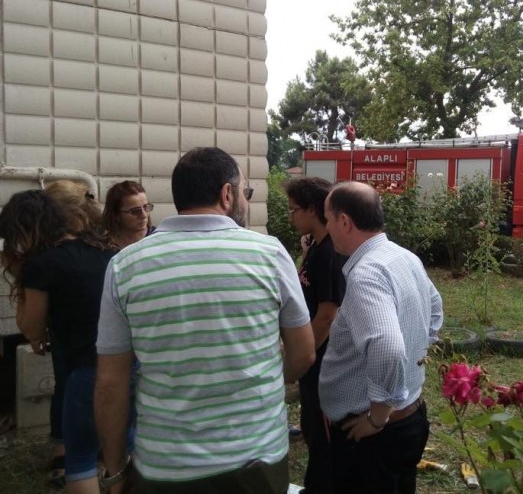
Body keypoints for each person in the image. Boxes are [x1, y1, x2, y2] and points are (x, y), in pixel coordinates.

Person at [94, 146, 316, 494]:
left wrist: (116, 470)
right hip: (255, 459)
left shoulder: (124, 265)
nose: (245, 201)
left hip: (165, 466)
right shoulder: (270, 254)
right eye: (245, 192)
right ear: (227, 194)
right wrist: (267, 381)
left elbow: (111, 383)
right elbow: (303, 353)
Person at [0, 185, 135, 494]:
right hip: (128, 367)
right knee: (124, 453)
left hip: (87, 372)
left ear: (26, 230)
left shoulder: (42, 265)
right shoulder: (108, 251)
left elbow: (32, 329)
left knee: (81, 458)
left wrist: (20, 275)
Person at [319, 181, 444, 494]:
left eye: (328, 219)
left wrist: (377, 417)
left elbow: (387, 347)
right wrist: (416, 353)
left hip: (374, 436)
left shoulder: (367, 274)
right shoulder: (403, 257)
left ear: (344, 221)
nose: (327, 227)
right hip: (409, 419)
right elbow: (435, 309)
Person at [284, 177, 346, 494]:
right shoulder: (316, 247)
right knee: (311, 427)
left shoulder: (330, 254)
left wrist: (302, 357)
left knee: (322, 437)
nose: (290, 217)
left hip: (322, 362)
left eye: (294, 209)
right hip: (313, 359)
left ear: (312, 209)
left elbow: (326, 316)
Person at [102, 180, 155, 248]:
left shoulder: (159, 239)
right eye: (135, 211)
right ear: (116, 215)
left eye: (146, 207)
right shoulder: (102, 246)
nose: (144, 215)